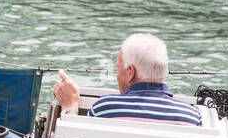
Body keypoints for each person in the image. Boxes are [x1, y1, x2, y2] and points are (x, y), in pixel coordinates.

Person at [52, 34, 202, 126]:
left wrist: (69, 106)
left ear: (130, 72)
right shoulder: (191, 117)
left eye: (118, 68)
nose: (117, 75)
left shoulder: (105, 108)